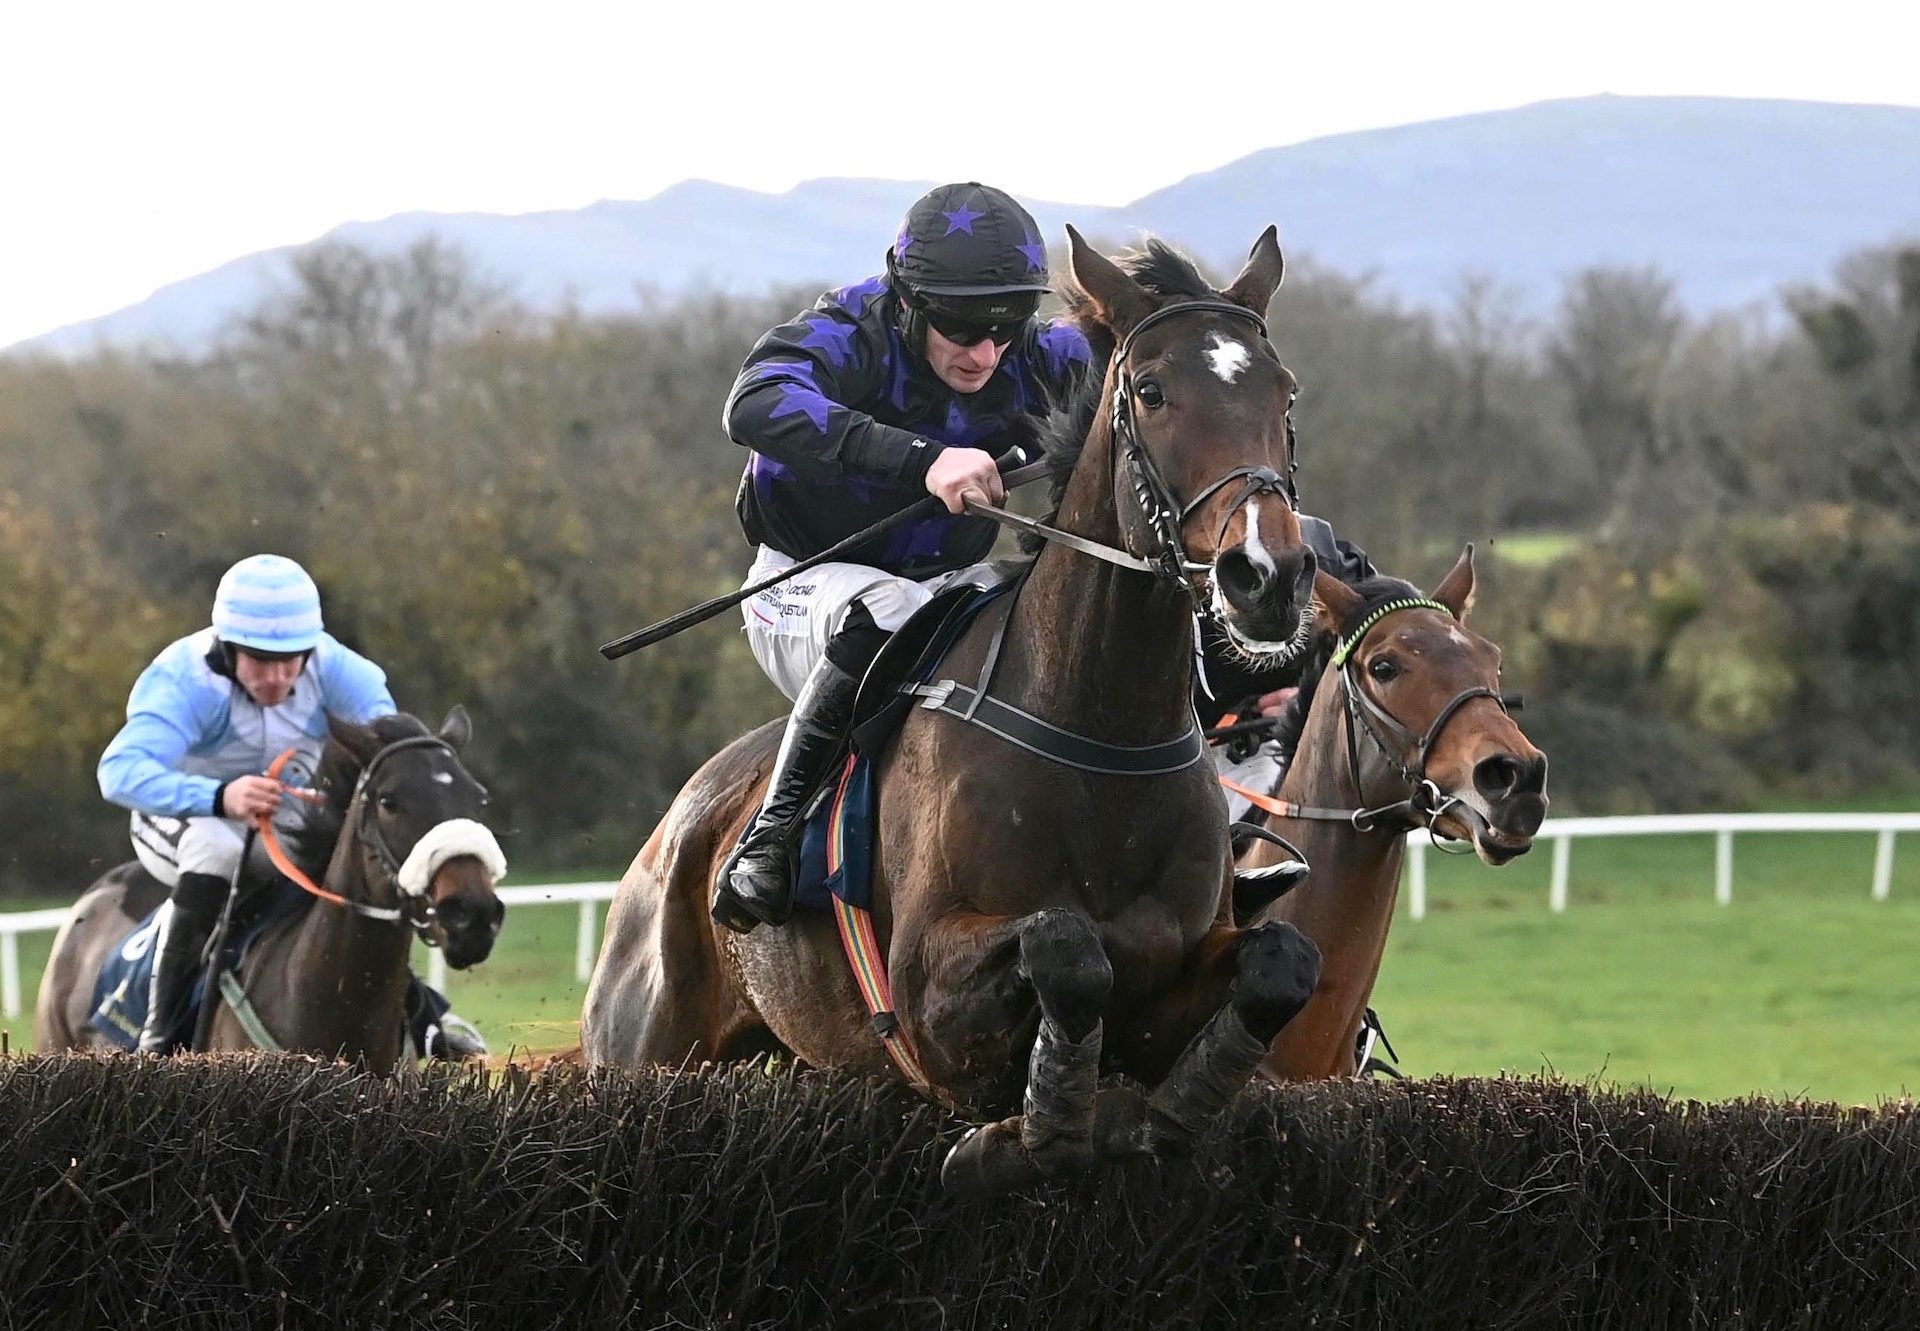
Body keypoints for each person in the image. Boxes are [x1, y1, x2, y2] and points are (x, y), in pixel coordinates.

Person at [713, 181, 1094, 933]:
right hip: (803, 582)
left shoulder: (1038, 353)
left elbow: (1159, 364)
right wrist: (923, 460)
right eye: (963, 329)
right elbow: (752, 402)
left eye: (1006, 328)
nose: (985, 354)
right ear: (909, 301)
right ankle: (771, 835)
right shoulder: (849, 331)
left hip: (948, 583)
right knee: (887, 611)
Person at [97, 553, 485, 1057]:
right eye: (261, 661)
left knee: (360, 866)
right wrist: (220, 796)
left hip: (284, 817)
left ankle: (423, 1015)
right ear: (228, 648)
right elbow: (119, 772)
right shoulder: (182, 679)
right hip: (184, 814)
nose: (279, 678)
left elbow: (389, 758)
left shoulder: (339, 669)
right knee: (217, 851)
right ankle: (161, 1034)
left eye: (291, 661)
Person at [1198, 518, 1379, 822]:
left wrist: (1312, 700)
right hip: (1185, 759)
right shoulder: (1159, 560)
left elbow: (1386, 651)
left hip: (1298, 751)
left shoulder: (1333, 558)